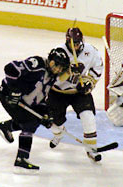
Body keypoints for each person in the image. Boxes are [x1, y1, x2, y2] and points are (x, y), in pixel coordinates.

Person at [0, 48, 70, 173]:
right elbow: (10, 68)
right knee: (30, 123)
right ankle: (21, 160)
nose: (57, 69)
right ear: (50, 60)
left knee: (36, 118)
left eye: (60, 68)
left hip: (23, 101)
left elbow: (39, 100)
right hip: (8, 96)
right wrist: (14, 90)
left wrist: (46, 114)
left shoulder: (51, 77)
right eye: (55, 65)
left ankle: (7, 126)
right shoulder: (38, 64)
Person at [47, 27, 104, 162]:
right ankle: (58, 134)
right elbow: (51, 75)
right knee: (54, 123)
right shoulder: (58, 52)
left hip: (78, 92)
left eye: (78, 42)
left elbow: (98, 68)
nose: (76, 46)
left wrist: (88, 82)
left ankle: (92, 149)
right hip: (58, 92)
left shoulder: (91, 51)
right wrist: (69, 71)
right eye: (74, 43)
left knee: (88, 117)